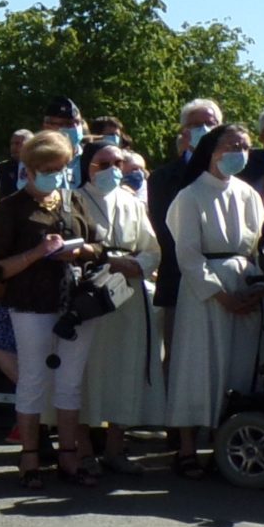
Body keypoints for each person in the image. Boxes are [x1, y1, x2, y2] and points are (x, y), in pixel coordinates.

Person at [0, 131, 103, 489]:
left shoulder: (74, 200)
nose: (57, 175)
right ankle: (30, 456)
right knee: (33, 379)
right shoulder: (11, 208)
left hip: (75, 305)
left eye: (62, 167)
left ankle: (69, 455)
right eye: (49, 169)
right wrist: (38, 253)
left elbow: (100, 245)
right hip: (30, 304)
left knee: (70, 382)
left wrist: (80, 252)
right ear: (30, 169)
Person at [165, 124, 264, 476]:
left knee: (240, 365)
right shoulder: (190, 195)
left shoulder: (247, 193)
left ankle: (227, 443)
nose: (240, 151)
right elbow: (188, 255)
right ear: (212, 150)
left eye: (245, 146)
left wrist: (256, 286)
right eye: (232, 145)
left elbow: (259, 245)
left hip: (245, 284)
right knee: (198, 364)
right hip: (205, 292)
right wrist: (221, 295)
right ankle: (186, 448)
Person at [76, 144, 169, 471]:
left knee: (125, 370)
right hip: (89, 295)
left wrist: (136, 265)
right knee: (85, 372)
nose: (112, 170)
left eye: (117, 163)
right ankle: (82, 449)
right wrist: (107, 262)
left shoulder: (132, 203)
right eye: (103, 163)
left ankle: (115, 449)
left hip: (128, 295)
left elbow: (152, 249)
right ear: (88, 166)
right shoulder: (73, 201)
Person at [150, 98, 224, 356]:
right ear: (184, 130)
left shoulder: (238, 173)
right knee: (180, 357)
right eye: (195, 124)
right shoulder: (162, 177)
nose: (204, 129)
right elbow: (166, 231)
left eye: (210, 123)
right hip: (179, 282)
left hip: (229, 285)